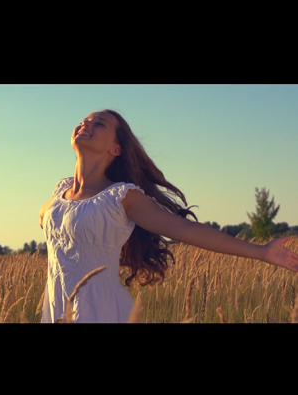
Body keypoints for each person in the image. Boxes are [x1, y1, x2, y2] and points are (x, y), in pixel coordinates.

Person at [39, 110, 298, 323]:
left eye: (99, 123)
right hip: (57, 307)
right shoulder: (60, 195)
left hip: (100, 309)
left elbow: (186, 230)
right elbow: (52, 223)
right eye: (85, 120)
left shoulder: (120, 197)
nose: (86, 123)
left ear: (115, 149)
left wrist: (262, 252)